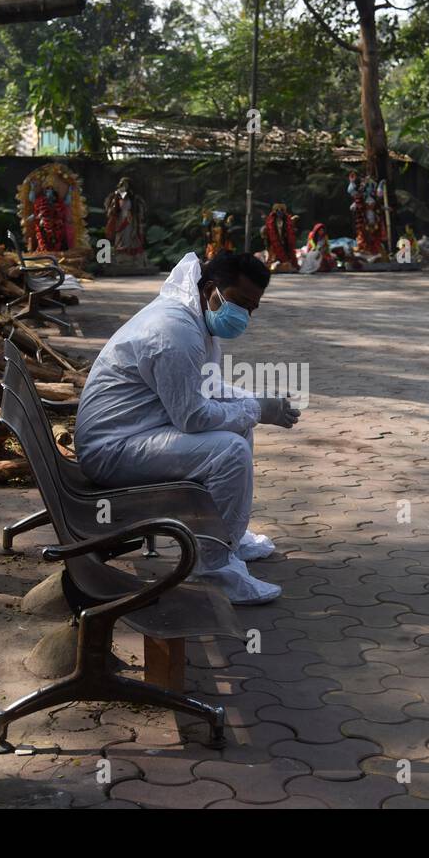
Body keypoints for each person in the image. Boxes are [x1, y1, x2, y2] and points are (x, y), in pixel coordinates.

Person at [74, 250, 300, 605]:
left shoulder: (194, 318)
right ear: (211, 288)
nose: (244, 315)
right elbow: (192, 417)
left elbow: (208, 389)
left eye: (252, 308)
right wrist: (256, 409)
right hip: (111, 451)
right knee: (228, 450)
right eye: (240, 302)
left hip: (135, 433)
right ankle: (214, 571)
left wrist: (256, 401)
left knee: (239, 428)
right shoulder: (174, 331)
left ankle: (227, 539)